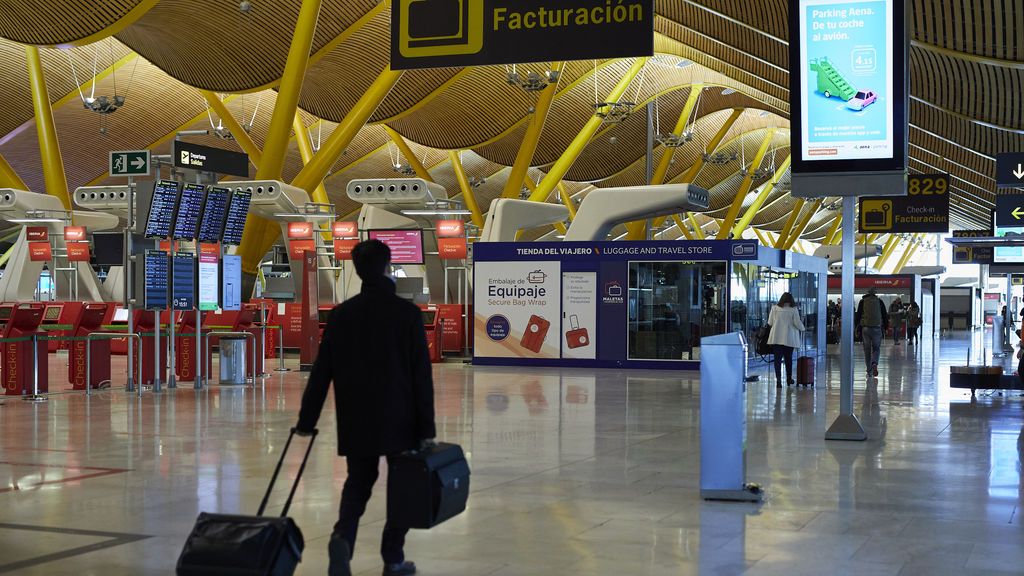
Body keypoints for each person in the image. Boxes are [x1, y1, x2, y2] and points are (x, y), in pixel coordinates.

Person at [296, 240, 436, 576]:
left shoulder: (342, 315)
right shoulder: (407, 315)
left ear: (358, 271)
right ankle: (393, 558)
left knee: (359, 480)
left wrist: (306, 420)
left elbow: (321, 372)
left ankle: (343, 537)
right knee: (402, 486)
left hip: (356, 416)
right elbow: (421, 376)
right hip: (400, 417)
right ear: (388, 268)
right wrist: (427, 428)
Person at [767, 292, 805, 388]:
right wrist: (803, 328)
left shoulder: (774, 308)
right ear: (791, 300)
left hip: (776, 338)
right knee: (788, 359)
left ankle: (778, 381)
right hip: (789, 338)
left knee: (777, 360)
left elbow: (770, 322)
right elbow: (797, 323)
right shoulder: (793, 309)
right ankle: (789, 379)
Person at [856, 288, 889, 377]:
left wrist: (857, 327)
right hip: (877, 328)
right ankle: (874, 363)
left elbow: (858, 315)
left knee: (867, 350)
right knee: (876, 348)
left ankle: (869, 370)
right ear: (875, 293)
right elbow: (884, 315)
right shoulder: (879, 302)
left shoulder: (862, 302)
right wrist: (886, 327)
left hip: (865, 328)